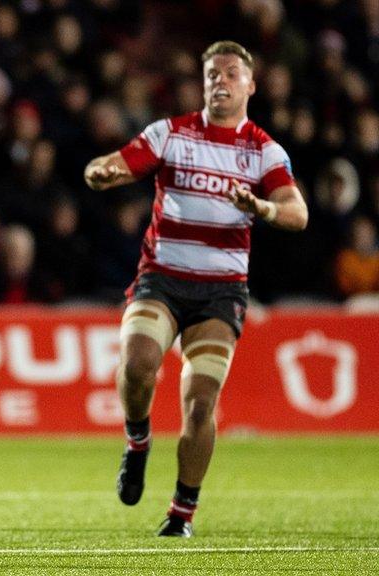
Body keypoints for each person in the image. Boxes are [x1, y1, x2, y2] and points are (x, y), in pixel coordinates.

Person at [83, 41, 308, 537]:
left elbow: (298, 212)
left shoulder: (264, 151)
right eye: (211, 74)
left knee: (201, 402)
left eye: (230, 73)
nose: (219, 81)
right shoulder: (172, 133)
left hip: (220, 291)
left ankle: (182, 511)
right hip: (161, 278)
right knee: (138, 365)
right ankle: (137, 441)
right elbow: (115, 162)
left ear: (250, 84)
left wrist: (263, 209)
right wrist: (103, 172)